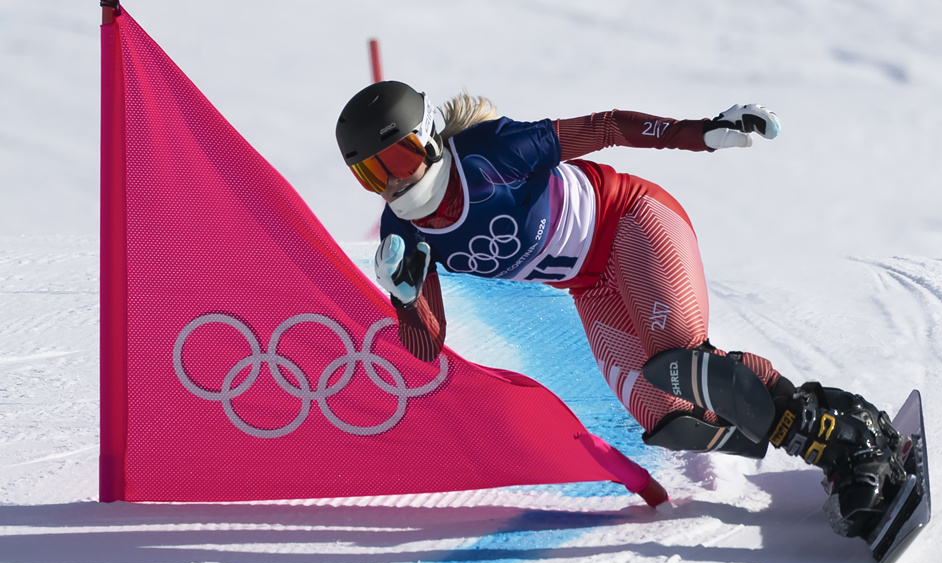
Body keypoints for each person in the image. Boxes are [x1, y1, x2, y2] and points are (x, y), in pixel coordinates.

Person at [335, 81, 907, 539]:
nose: (393, 183)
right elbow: (429, 346)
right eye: (371, 174)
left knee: (680, 362)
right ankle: (809, 421)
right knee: (670, 420)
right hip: (591, 284)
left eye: (400, 157)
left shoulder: (490, 153)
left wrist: (701, 133)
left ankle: (845, 440)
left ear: (429, 140)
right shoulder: (402, 233)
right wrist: (406, 300)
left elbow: (607, 127)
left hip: (631, 220)